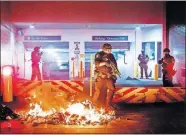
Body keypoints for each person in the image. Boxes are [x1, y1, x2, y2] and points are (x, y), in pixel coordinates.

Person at [92, 43, 120, 111]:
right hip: (100, 75)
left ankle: (108, 105)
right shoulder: (99, 54)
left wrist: (115, 73)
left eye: (110, 49)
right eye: (107, 49)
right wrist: (104, 63)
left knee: (112, 89)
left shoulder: (111, 55)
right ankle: (95, 105)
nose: (109, 51)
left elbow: (114, 65)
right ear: (103, 49)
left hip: (109, 76)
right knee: (98, 91)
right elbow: (96, 64)